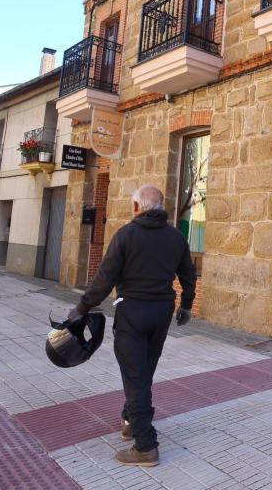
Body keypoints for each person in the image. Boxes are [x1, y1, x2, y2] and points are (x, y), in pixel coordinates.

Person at [68, 184, 196, 467]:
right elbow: (189, 274)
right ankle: (130, 420)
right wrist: (186, 305)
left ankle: (145, 445)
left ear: (137, 207)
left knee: (135, 375)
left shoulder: (126, 235)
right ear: (161, 207)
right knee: (143, 370)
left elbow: (105, 278)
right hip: (161, 312)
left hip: (132, 313)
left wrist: (81, 308)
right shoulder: (176, 237)